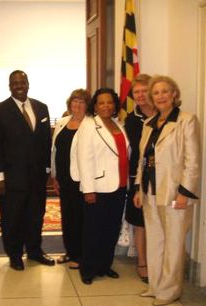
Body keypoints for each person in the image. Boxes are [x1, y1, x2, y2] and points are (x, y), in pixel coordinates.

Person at [133, 75, 199, 306]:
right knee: (156, 240)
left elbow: (193, 161)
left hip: (174, 193)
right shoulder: (148, 124)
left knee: (172, 243)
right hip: (150, 191)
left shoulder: (186, 121)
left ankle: (170, 291)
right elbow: (143, 159)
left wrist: (185, 192)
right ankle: (156, 286)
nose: (160, 96)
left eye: (165, 91)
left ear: (174, 95)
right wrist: (139, 189)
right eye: (156, 93)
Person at [0, 70, 53, 271]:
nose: (19, 86)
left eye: (22, 82)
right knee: (12, 218)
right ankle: (14, 255)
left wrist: (48, 168)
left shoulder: (42, 108)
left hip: (37, 176)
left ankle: (34, 250)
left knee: (36, 215)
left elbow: (45, 141)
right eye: (14, 83)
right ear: (9, 86)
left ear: (28, 83)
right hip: (11, 178)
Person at [75, 88, 129, 285]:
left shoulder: (117, 123)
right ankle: (88, 269)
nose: (106, 106)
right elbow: (84, 158)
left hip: (120, 185)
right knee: (93, 230)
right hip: (97, 188)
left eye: (109, 102)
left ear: (115, 104)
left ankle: (104, 265)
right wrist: (88, 188)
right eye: (101, 103)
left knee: (111, 229)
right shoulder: (89, 125)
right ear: (95, 106)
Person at [50, 89, 91, 269]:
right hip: (64, 178)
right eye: (75, 101)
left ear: (87, 105)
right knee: (68, 217)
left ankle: (82, 255)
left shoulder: (92, 124)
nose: (77, 105)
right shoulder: (62, 123)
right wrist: (54, 176)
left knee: (82, 217)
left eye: (82, 101)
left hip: (84, 180)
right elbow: (55, 151)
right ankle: (71, 251)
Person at [124, 74, 156, 283]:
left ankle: (158, 262)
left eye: (145, 90)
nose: (141, 95)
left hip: (162, 178)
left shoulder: (164, 114)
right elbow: (136, 151)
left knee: (159, 222)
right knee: (140, 223)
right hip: (138, 178)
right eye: (137, 92)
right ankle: (142, 262)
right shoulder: (131, 119)